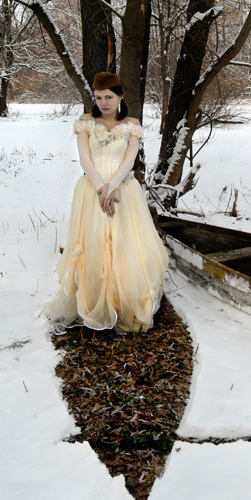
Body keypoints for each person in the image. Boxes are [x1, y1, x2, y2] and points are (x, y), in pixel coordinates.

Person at [46, 71, 169, 333]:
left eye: (109, 97)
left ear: (120, 97)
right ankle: (95, 301)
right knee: (94, 244)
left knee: (125, 245)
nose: (104, 102)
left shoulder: (131, 125)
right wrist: (102, 190)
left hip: (123, 191)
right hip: (92, 191)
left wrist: (112, 188)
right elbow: (85, 159)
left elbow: (129, 160)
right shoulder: (86, 123)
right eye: (99, 97)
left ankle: (123, 303)